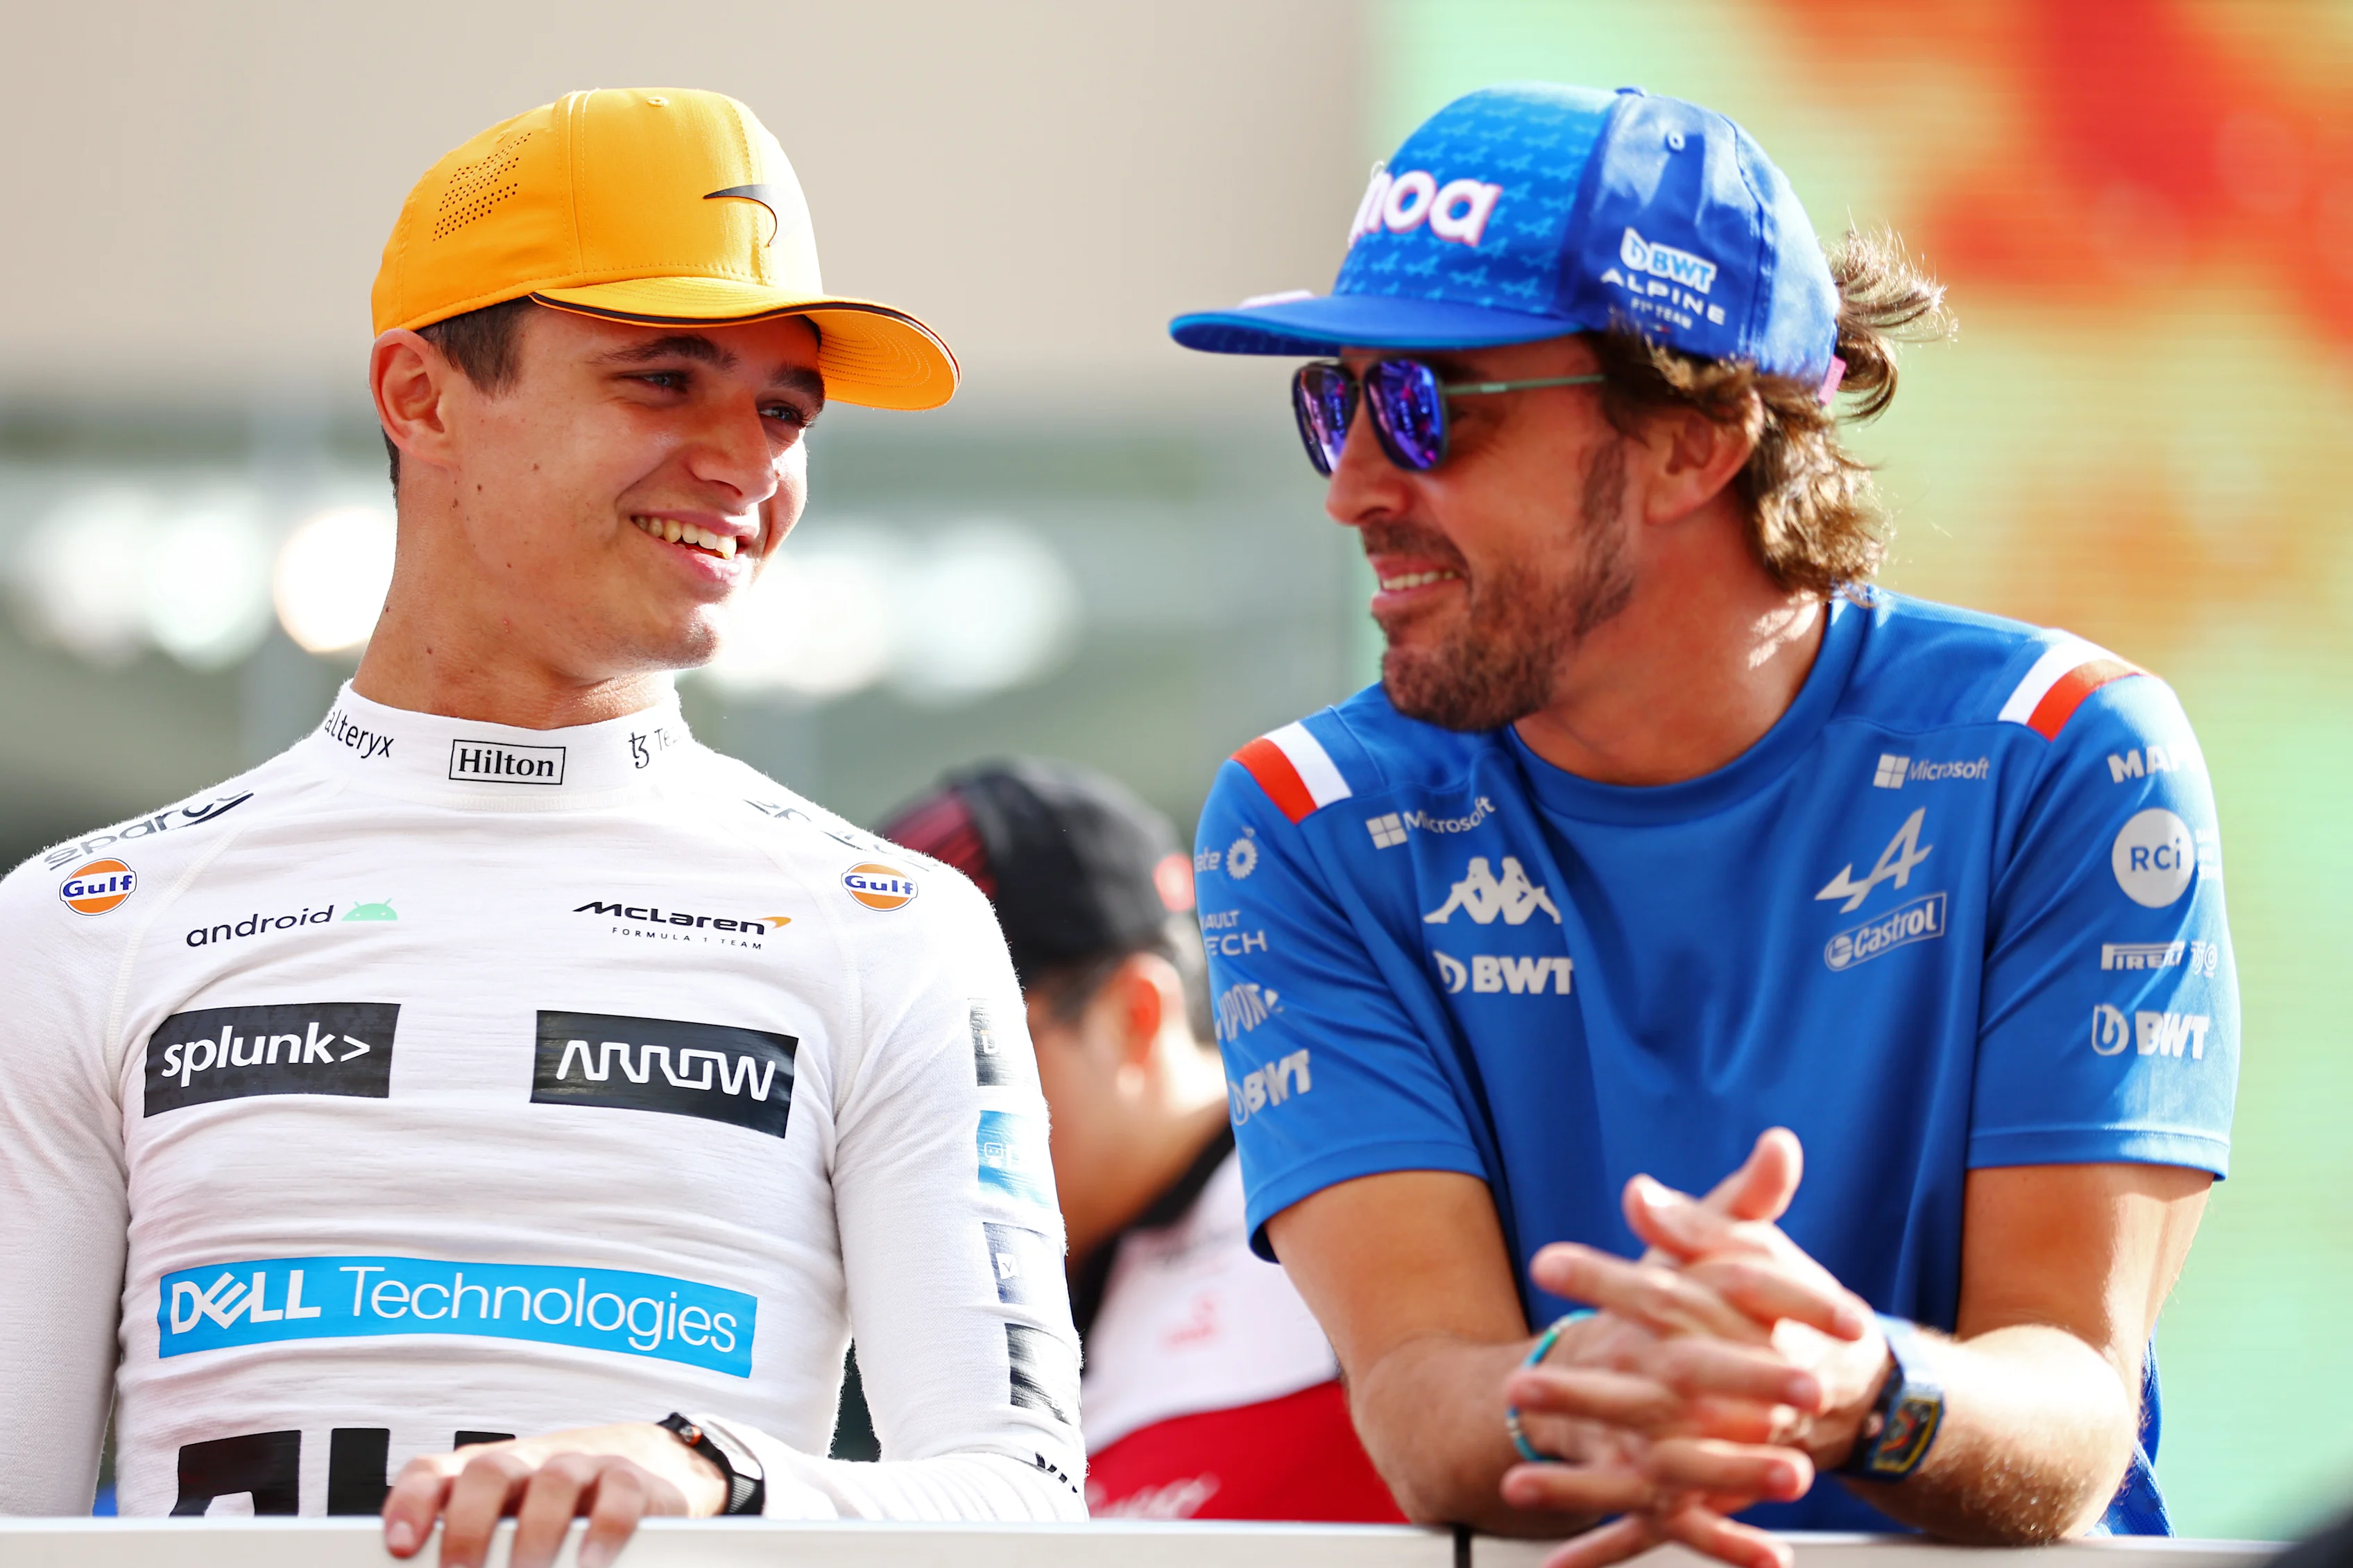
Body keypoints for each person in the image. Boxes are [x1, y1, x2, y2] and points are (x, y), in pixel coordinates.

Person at [0, 87, 1086, 1567]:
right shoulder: (86, 917)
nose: (745, 463)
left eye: (784, 409)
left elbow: (1024, 1500)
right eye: (662, 380)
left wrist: (710, 1469)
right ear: (423, 396)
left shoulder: (895, 927)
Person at [1165, 81, 2236, 1568]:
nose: (1353, 484)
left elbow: (2069, 1397)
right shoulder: (1309, 818)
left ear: (1694, 440)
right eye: (1329, 401)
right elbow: (1422, 1400)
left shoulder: (2060, 751)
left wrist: (1851, 1388)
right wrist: (1600, 1400)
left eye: (1426, 406)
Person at [877, 760, 1403, 1523]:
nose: (904, 1116)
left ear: (1135, 1014)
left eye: (959, 1054)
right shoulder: (990, 1310)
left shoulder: (1373, 1202)